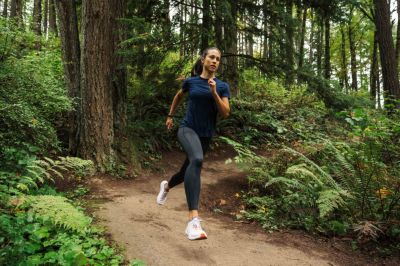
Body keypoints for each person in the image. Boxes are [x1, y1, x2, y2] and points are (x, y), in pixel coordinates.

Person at [156, 47, 231, 240]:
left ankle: (166, 186)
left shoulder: (222, 86)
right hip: (187, 129)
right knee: (197, 160)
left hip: (205, 135)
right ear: (203, 59)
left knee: (186, 171)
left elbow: (225, 113)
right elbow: (178, 96)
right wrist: (170, 116)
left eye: (218, 59)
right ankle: (193, 221)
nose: (215, 61)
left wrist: (214, 93)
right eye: (211, 57)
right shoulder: (191, 82)